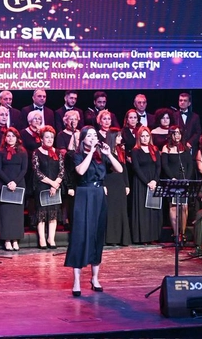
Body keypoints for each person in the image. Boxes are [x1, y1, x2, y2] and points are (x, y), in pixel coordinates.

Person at [64, 126, 123, 297]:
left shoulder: (101, 155)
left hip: (99, 195)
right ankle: (76, 280)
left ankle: (95, 278)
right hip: (84, 194)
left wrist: (109, 154)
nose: (92, 138)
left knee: (97, 235)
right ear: (82, 138)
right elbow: (81, 171)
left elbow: (119, 169)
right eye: (89, 135)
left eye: (94, 135)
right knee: (80, 236)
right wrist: (90, 152)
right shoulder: (75, 155)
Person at [0, 127, 28, 250]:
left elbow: (24, 169)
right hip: (5, 185)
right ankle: (7, 240)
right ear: (5, 138)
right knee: (6, 213)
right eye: (8, 136)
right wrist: (9, 182)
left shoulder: (23, 152)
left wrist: (15, 182)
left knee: (17, 214)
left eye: (13, 136)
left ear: (17, 138)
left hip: (18, 184)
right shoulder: (0, 152)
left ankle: (16, 240)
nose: (10, 138)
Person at [102, 115, 131, 246]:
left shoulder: (120, 151)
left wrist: (127, 184)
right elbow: (102, 170)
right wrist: (103, 185)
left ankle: (121, 238)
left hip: (120, 183)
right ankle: (111, 239)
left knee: (120, 211)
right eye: (118, 136)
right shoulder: (104, 152)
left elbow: (124, 169)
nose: (120, 138)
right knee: (111, 211)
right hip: (110, 183)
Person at [160, 126, 194, 242]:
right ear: (171, 135)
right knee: (173, 207)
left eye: (179, 133)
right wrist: (172, 178)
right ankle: (175, 234)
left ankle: (182, 233)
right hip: (172, 181)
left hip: (183, 181)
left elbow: (190, 165)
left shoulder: (185, 147)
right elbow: (165, 165)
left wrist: (187, 179)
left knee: (184, 206)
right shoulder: (166, 148)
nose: (177, 135)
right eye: (174, 133)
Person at [32, 126, 64, 249]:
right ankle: (42, 239)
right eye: (47, 137)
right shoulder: (36, 152)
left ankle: (51, 238)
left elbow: (62, 170)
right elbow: (37, 171)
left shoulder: (57, 152)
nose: (50, 139)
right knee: (42, 214)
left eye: (52, 137)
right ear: (41, 139)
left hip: (55, 186)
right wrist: (51, 183)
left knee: (53, 213)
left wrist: (56, 184)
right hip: (42, 186)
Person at [130, 126, 162, 244]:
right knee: (143, 211)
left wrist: (154, 181)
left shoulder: (155, 149)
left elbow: (158, 167)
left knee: (153, 210)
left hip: (154, 181)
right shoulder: (135, 151)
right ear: (139, 137)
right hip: (141, 183)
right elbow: (136, 168)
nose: (145, 138)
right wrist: (147, 182)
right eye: (142, 136)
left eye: (147, 136)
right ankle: (143, 238)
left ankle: (153, 236)